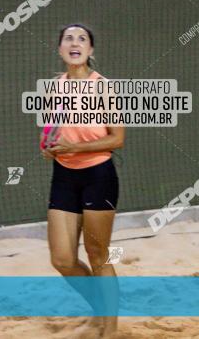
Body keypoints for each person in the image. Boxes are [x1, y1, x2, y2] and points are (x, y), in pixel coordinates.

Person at [42, 23, 124, 338]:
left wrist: (76, 147)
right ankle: (103, 305)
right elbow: (52, 131)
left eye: (82, 39)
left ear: (90, 50)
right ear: (60, 48)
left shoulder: (102, 87)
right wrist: (49, 147)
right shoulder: (53, 87)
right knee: (62, 259)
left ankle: (110, 330)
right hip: (63, 176)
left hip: (98, 176)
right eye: (68, 38)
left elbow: (117, 139)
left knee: (98, 255)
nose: (74, 43)